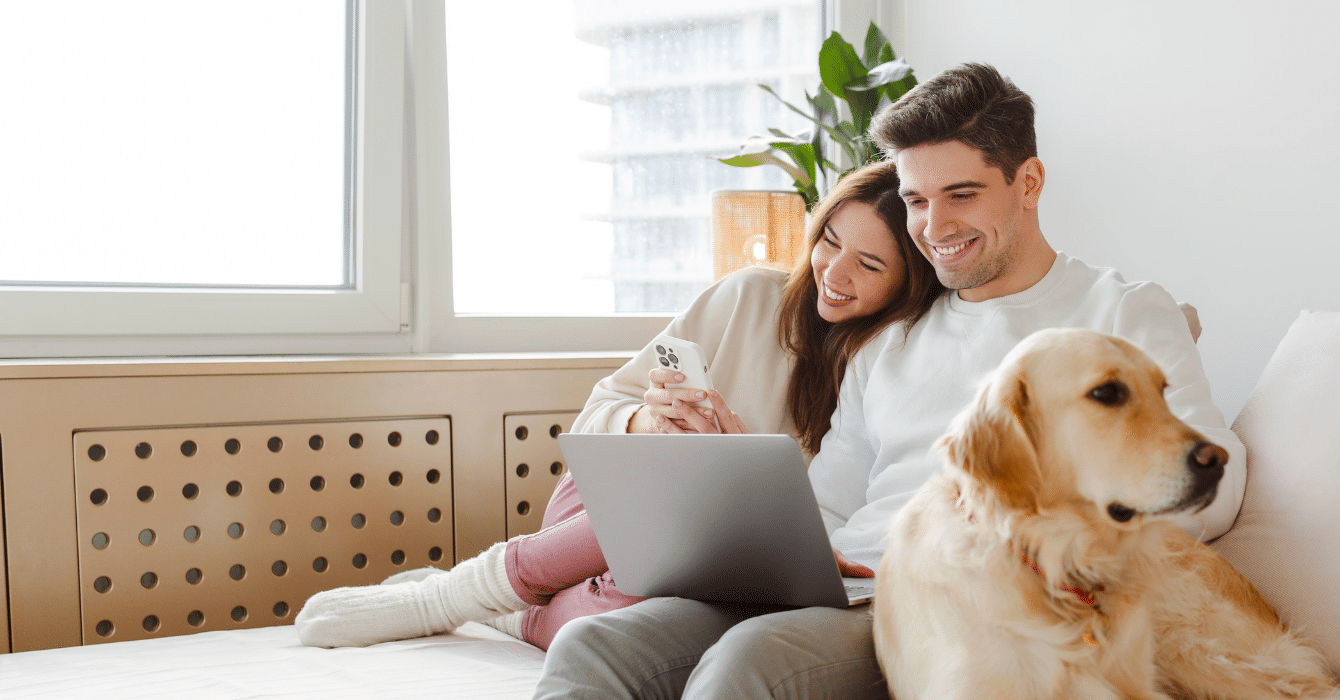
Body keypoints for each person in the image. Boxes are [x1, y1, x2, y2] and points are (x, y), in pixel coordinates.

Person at [532, 62, 1246, 700]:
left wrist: (1034, 524)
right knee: (596, 645)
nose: (933, 226)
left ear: (1027, 182)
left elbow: (1214, 479)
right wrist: (754, 510)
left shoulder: (1120, 312)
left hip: (963, 603)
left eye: (960, 194)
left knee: (751, 664)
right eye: (916, 199)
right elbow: (833, 505)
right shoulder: (895, 338)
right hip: (844, 585)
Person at [291, 161, 942, 650]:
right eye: (829, 240)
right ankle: (446, 596)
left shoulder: (891, 366)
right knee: (673, 487)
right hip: (599, 508)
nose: (833, 272)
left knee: (636, 625)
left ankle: (510, 610)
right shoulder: (747, 298)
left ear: (908, 283)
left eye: (868, 264)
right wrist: (646, 422)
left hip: (696, 561)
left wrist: (739, 464)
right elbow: (598, 413)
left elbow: (811, 534)